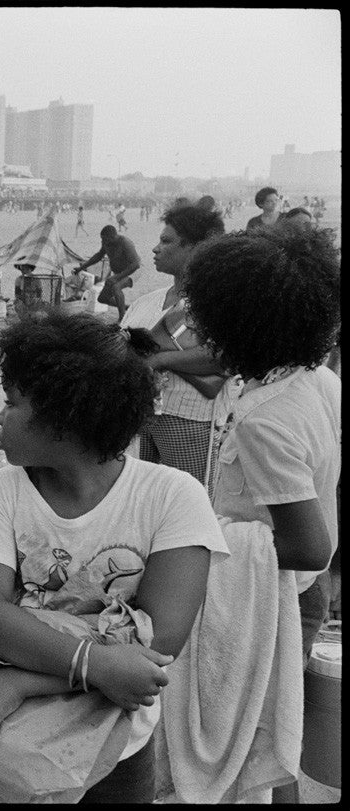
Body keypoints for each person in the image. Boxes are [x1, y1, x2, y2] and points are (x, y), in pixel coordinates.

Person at [0, 311, 227, 803]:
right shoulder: (4, 490)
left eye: (12, 403)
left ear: (65, 419)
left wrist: (18, 682)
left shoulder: (173, 497)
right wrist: (99, 663)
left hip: (112, 752)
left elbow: (156, 645)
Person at [184, 225, 340, 803]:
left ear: (238, 323)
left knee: (259, 745)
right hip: (303, 592)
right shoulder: (316, 381)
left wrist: (209, 542)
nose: (200, 328)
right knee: (277, 741)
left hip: (276, 597)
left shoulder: (262, 419)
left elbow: (308, 545)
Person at [120, 204, 226, 483]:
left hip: (189, 418)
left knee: (189, 502)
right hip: (140, 417)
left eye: (166, 241)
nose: (155, 249)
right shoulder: (147, 302)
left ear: (198, 248)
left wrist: (158, 360)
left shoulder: (215, 304)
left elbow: (222, 356)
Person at [75, 225, 141, 321]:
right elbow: (98, 256)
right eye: (102, 239)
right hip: (120, 272)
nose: (103, 242)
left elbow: (136, 264)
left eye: (105, 239)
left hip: (133, 271)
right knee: (102, 298)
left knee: (116, 287)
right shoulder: (107, 243)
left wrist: (117, 277)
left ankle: (122, 317)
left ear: (113, 237)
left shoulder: (125, 243)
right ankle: (128, 308)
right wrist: (81, 267)